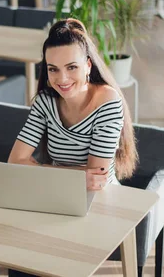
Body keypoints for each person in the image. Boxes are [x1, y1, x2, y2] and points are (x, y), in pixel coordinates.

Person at [8, 18, 138, 191]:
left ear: (88, 66)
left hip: (101, 197)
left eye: (72, 67)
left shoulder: (108, 102)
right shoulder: (45, 101)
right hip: (56, 190)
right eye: (53, 69)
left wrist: (40, 168)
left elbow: (96, 179)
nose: (62, 79)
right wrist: (76, 175)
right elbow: (15, 161)